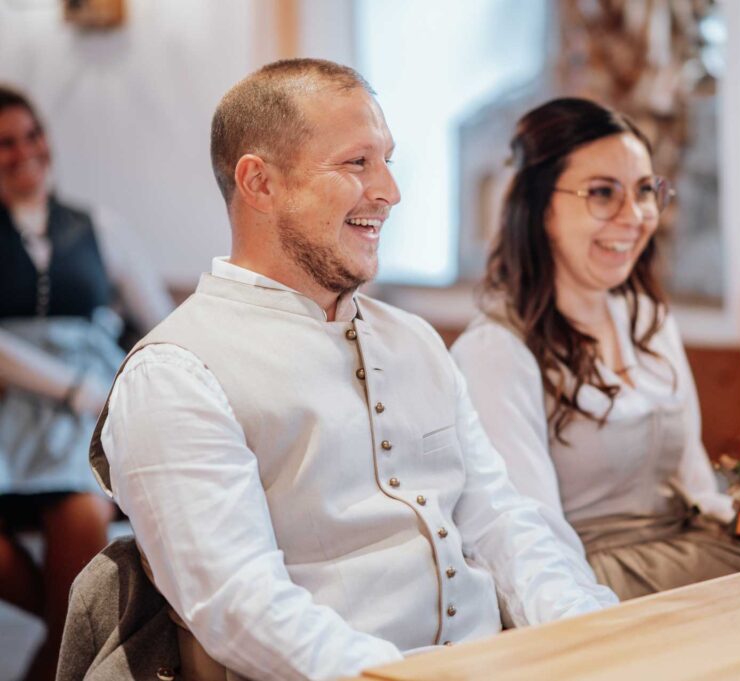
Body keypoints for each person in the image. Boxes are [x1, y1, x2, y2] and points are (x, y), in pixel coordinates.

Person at [86, 60, 617, 680]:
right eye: (357, 162)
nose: (390, 190)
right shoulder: (174, 374)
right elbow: (240, 604)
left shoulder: (415, 340)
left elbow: (501, 519)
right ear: (260, 183)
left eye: (386, 160)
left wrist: (591, 633)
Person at [451, 97, 740, 602]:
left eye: (645, 191)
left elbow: (697, 487)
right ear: (540, 208)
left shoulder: (649, 319)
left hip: (692, 550)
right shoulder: (495, 352)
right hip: (591, 583)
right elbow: (522, 536)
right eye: (603, 193)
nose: (635, 216)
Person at [0, 85, 174, 680]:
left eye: (32, 135)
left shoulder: (100, 227)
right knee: (63, 610)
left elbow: (160, 322)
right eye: (5, 143)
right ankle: (82, 626)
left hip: (86, 422)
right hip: (12, 414)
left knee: (82, 515)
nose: (25, 151)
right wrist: (72, 387)